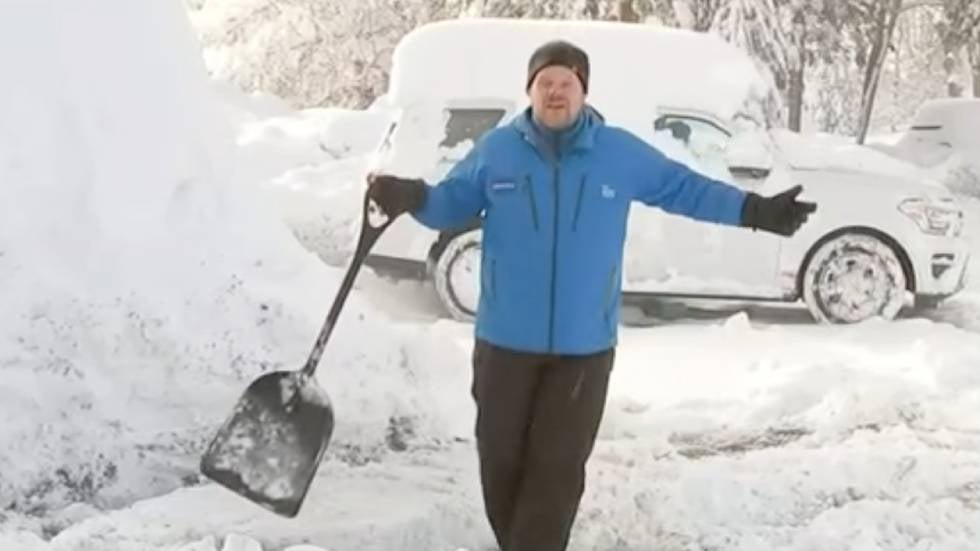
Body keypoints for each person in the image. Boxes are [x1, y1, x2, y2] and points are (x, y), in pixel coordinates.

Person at [366, 40, 816, 551]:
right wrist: (412, 196)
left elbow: (684, 188)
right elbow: (449, 204)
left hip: (583, 347)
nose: (555, 93)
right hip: (504, 341)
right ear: (530, 91)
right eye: (545, 84)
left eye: (566, 83)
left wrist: (755, 212)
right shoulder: (498, 150)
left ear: (583, 90)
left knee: (556, 470)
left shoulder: (616, 152)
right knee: (500, 463)